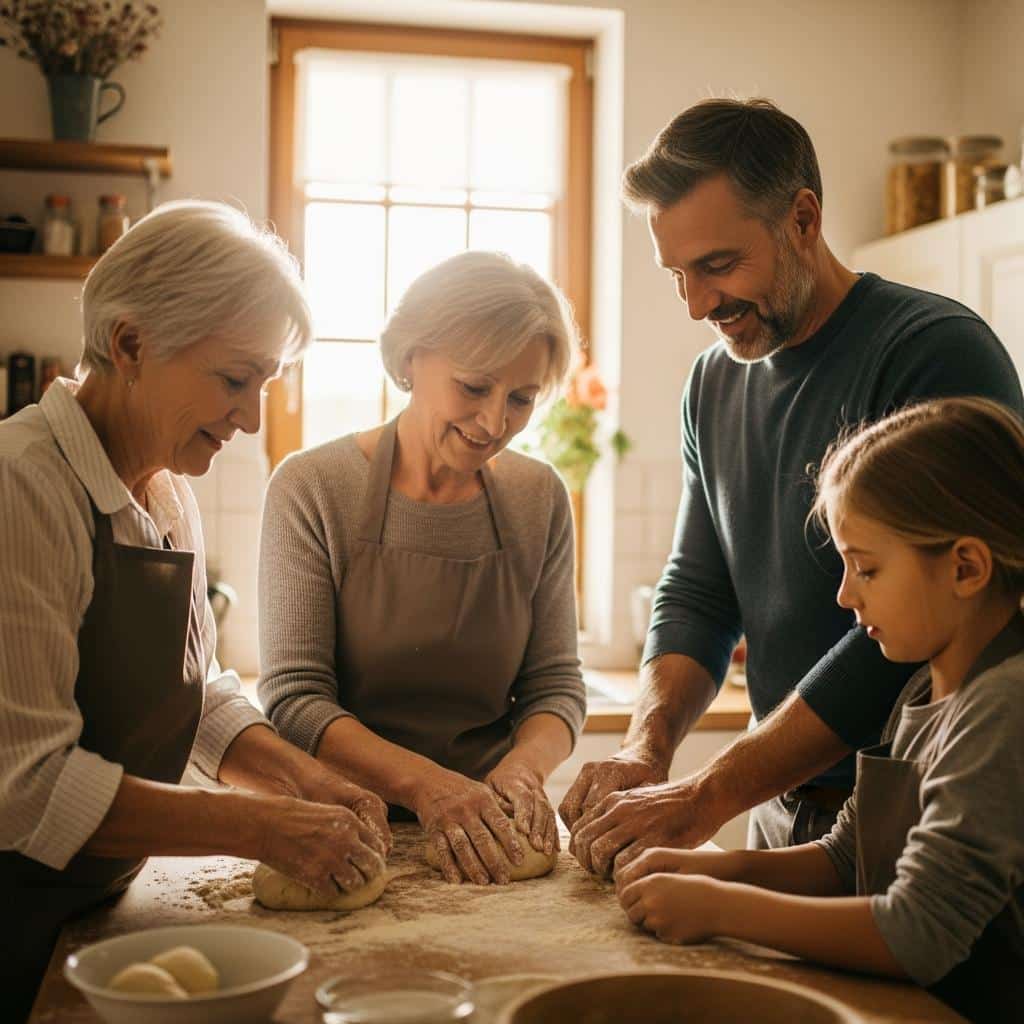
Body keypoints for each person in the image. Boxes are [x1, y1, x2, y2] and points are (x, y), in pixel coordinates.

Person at [561, 97, 1024, 872]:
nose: (698, 305)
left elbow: (910, 635)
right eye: (678, 273)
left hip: (920, 807)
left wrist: (707, 795)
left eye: (717, 265)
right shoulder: (712, 383)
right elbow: (699, 591)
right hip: (776, 808)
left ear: (802, 219)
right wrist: (649, 748)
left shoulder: (935, 353)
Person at [0, 201, 390, 1022]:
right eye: (233, 379)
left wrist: (304, 780)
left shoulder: (168, 489)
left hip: (91, 907)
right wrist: (263, 829)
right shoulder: (21, 485)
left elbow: (199, 688)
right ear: (131, 345)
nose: (250, 418)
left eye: (266, 385)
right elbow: (28, 788)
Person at [615, 397, 1024, 1024]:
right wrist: (720, 868)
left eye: (866, 567)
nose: (844, 594)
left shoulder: (1003, 706)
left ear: (965, 567)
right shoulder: (921, 689)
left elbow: (919, 931)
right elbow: (845, 860)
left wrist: (720, 910)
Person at [258, 251, 587, 886]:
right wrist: (429, 788)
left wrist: (523, 768)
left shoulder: (538, 497)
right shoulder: (314, 487)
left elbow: (554, 686)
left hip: (492, 831)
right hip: (343, 834)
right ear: (411, 358)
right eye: (473, 386)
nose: (494, 423)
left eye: (521, 398)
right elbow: (295, 700)